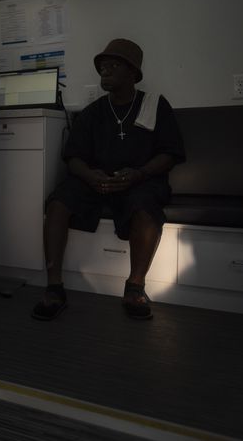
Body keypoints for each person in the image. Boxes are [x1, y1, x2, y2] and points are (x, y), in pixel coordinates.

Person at [33, 39, 185, 321]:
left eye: (113, 65)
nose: (104, 71)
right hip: (97, 181)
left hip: (141, 179)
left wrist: (139, 173)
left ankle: (135, 287)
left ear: (132, 72)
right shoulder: (93, 112)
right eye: (102, 67)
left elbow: (170, 153)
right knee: (58, 201)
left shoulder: (153, 105)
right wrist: (91, 176)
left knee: (146, 204)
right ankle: (54, 287)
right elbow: (74, 157)